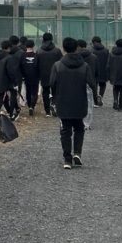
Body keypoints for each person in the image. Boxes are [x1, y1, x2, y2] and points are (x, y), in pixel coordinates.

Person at [50, 38, 95, 168]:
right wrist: (95, 97)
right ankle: (77, 153)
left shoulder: (57, 65)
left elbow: (52, 83)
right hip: (80, 101)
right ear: (76, 48)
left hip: (63, 101)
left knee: (65, 130)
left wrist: (54, 98)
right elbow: (92, 83)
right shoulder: (84, 66)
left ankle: (67, 159)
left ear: (64, 48)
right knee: (79, 128)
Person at [36, 32, 62, 116]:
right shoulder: (57, 51)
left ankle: (47, 111)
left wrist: (38, 76)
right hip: (55, 74)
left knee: (45, 92)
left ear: (43, 39)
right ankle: (54, 105)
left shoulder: (39, 51)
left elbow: (36, 64)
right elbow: (61, 63)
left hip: (43, 75)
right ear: (52, 39)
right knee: (55, 91)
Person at [5, 37, 25, 119]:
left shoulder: (6, 51)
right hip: (17, 75)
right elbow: (23, 65)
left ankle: (15, 109)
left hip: (6, 74)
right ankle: (12, 111)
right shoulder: (21, 52)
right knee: (14, 94)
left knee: (6, 94)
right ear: (18, 42)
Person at [76, 40, 100, 106]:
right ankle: (95, 103)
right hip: (91, 77)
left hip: (79, 78)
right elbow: (97, 70)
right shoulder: (94, 56)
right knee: (92, 91)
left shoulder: (76, 56)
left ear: (78, 46)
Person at [21, 39, 41, 116]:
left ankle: (29, 105)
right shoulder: (37, 55)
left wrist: (22, 76)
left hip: (26, 77)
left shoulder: (22, 55)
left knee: (28, 92)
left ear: (25, 46)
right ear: (33, 46)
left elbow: (20, 66)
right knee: (34, 92)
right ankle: (32, 106)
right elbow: (39, 67)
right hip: (35, 76)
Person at [90, 37, 111, 106]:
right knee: (103, 85)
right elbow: (109, 62)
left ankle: (95, 100)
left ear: (94, 42)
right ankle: (100, 96)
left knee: (94, 86)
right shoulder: (106, 50)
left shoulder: (91, 50)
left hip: (94, 71)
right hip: (103, 71)